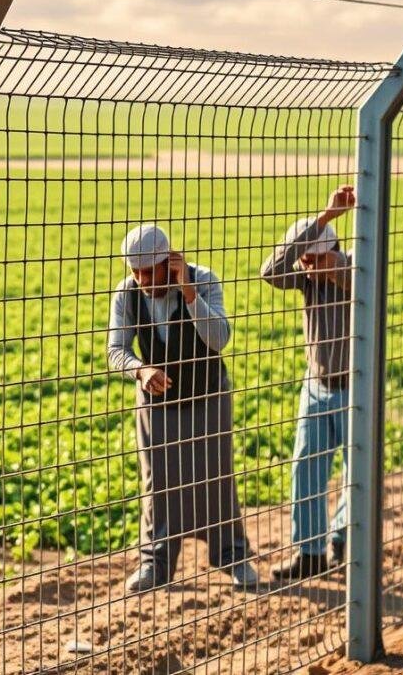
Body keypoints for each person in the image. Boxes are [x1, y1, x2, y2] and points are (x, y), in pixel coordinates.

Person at [107, 225, 258, 593]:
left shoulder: (203, 280)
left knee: (216, 476)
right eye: (135, 272)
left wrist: (189, 293)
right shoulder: (127, 295)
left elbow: (219, 338)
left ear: (169, 261)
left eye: (149, 271)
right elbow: (115, 350)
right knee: (156, 482)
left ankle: (232, 556)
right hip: (156, 403)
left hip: (207, 394)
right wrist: (139, 369)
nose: (142, 280)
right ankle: (154, 565)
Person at [261, 185, 356, 581]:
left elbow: (355, 282)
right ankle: (310, 552)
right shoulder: (307, 277)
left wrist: (333, 265)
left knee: (358, 471)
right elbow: (270, 272)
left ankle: (344, 538)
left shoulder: (356, 268)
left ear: (333, 253)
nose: (306, 267)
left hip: (356, 388)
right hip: (316, 386)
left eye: (314, 259)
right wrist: (324, 218)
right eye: (304, 260)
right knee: (306, 469)